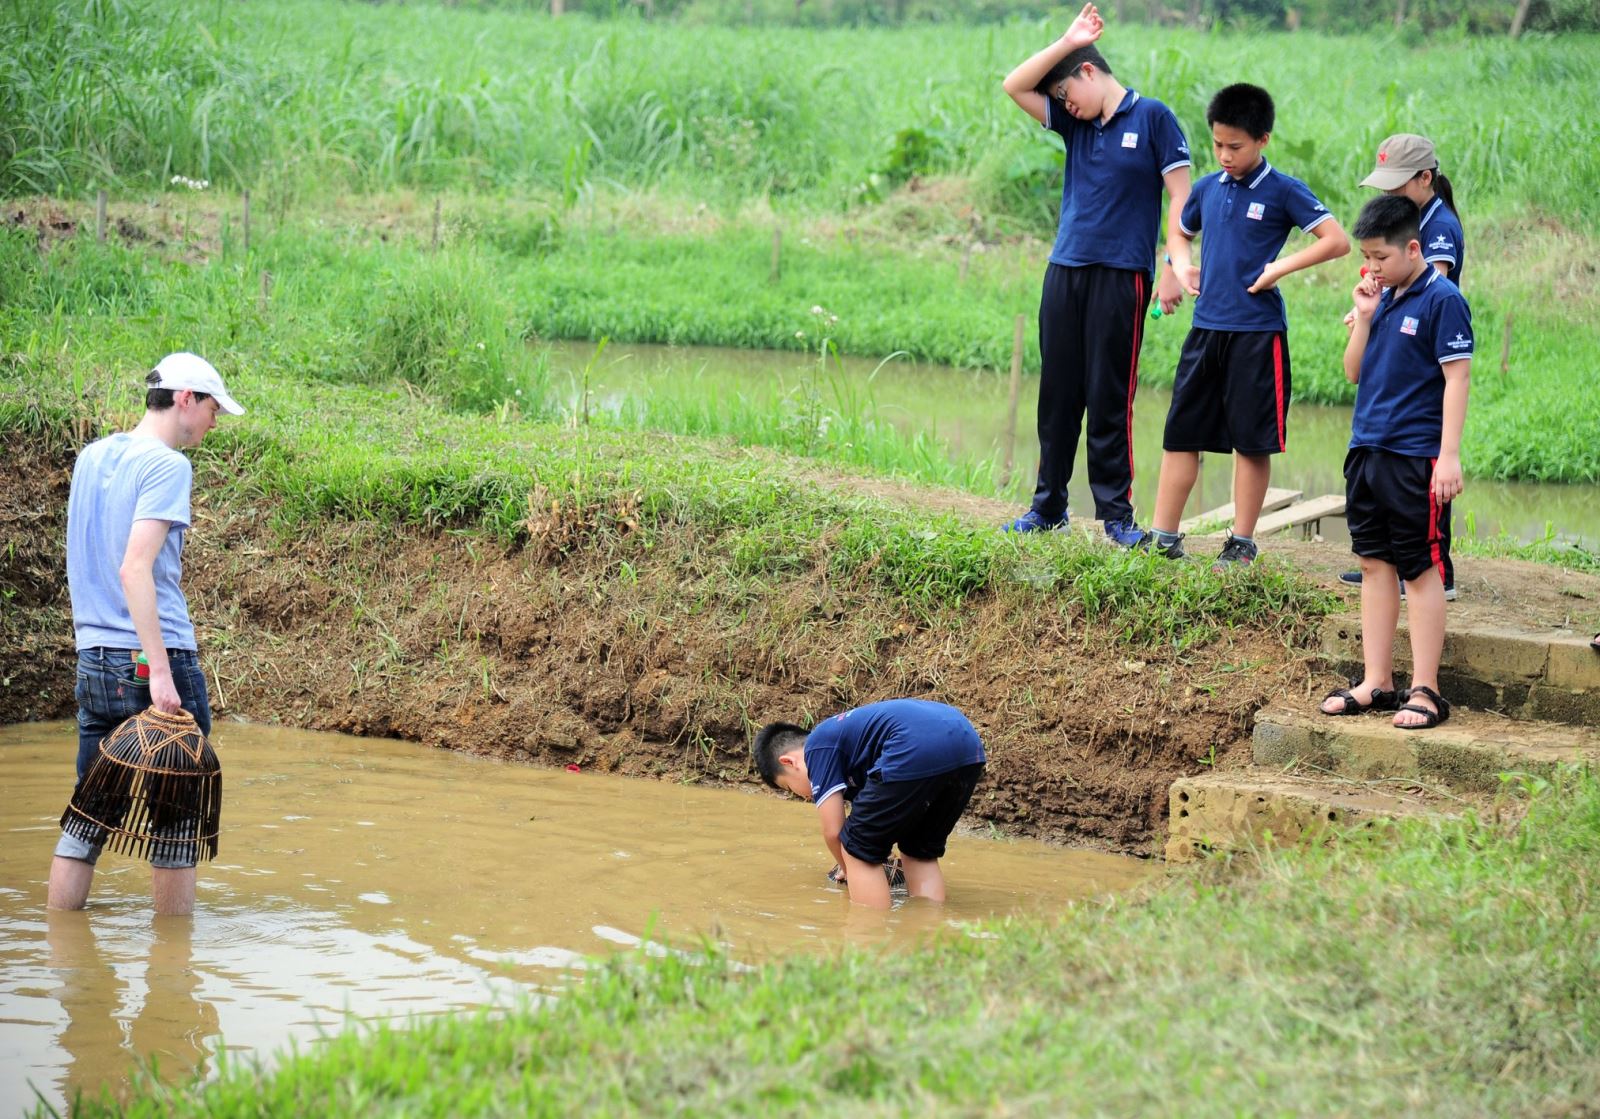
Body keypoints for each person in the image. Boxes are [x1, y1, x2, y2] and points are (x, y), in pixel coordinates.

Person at [47, 353, 245, 915]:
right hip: (154, 657)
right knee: (177, 822)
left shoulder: (92, 458)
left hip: (94, 659)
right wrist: (159, 671)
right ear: (186, 399)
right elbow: (134, 568)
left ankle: (63, 954)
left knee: (88, 813)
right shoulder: (167, 465)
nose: (214, 421)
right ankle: (173, 983)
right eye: (212, 408)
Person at [999, 2, 1192, 545]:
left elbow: (1181, 196)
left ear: (1090, 73)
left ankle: (1117, 518)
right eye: (1058, 101)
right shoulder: (1072, 122)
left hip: (1122, 275)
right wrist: (1066, 43)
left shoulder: (1154, 117)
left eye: (1066, 94)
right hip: (1065, 268)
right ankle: (1048, 507)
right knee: (1057, 392)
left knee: (1110, 395)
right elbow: (1014, 85)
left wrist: (1175, 263)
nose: (1064, 107)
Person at [1138, 83, 1348, 570]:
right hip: (1206, 329)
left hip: (1257, 334)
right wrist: (1182, 265)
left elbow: (1335, 240)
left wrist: (1277, 269)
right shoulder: (1209, 189)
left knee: (1251, 442)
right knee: (1180, 433)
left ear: (1263, 140)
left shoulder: (1284, 190)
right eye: (1217, 145)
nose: (1224, 155)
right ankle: (1164, 534)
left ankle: (1242, 541)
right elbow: (1180, 231)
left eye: (1235, 146)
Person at [1320, 196, 1470, 730]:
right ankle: (1376, 681)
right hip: (1367, 452)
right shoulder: (1379, 299)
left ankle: (1425, 690)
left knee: (1420, 570)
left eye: (1380, 257)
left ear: (1413, 248)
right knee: (1373, 565)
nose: (1372, 268)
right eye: (1365, 257)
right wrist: (1363, 316)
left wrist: (1447, 457)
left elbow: (1457, 379)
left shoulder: (1443, 299)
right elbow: (1353, 372)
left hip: (1415, 458)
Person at [1341, 133, 1464, 598]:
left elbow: (1435, 287)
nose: (1387, 195)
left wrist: (1388, 308)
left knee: (1427, 463)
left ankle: (1437, 571)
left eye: (1396, 186)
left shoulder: (1439, 229)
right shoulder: (1402, 224)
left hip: (1423, 354)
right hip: (1389, 368)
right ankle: (1394, 564)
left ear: (1425, 178)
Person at [753, 699, 986, 910]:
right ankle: (927, 929)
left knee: (856, 847)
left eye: (790, 788)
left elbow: (834, 832)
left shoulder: (817, 746)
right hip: (967, 745)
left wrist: (847, 865)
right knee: (918, 850)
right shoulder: (852, 750)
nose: (803, 796)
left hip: (913, 743)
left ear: (789, 762)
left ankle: (870, 939)